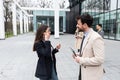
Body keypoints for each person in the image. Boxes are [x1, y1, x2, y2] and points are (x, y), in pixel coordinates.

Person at [73, 13, 105, 80]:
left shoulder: (96, 38)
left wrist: (81, 60)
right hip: (83, 73)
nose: (76, 25)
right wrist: (78, 54)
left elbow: (99, 59)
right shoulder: (85, 35)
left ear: (85, 25)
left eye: (78, 24)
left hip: (91, 76)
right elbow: (87, 51)